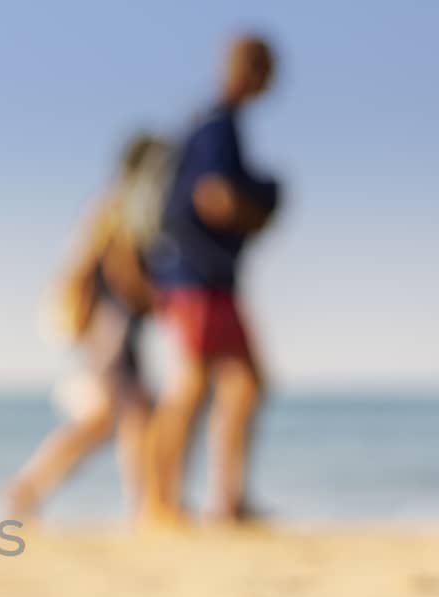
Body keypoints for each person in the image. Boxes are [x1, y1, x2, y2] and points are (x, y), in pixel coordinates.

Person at [146, 35, 281, 524]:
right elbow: (214, 199)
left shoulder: (214, 123)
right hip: (196, 277)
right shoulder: (217, 125)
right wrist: (261, 210)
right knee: (196, 384)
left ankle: (227, 501)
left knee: (245, 384)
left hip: (209, 278)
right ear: (253, 71)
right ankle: (160, 501)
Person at [9, 133, 167, 519]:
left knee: (131, 415)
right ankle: (30, 485)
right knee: (113, 417)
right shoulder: (120, 208)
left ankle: (144, 503)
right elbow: (121, 268)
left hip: (109, 326)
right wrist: (158, 299)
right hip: (110, 327)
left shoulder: (112, 206)